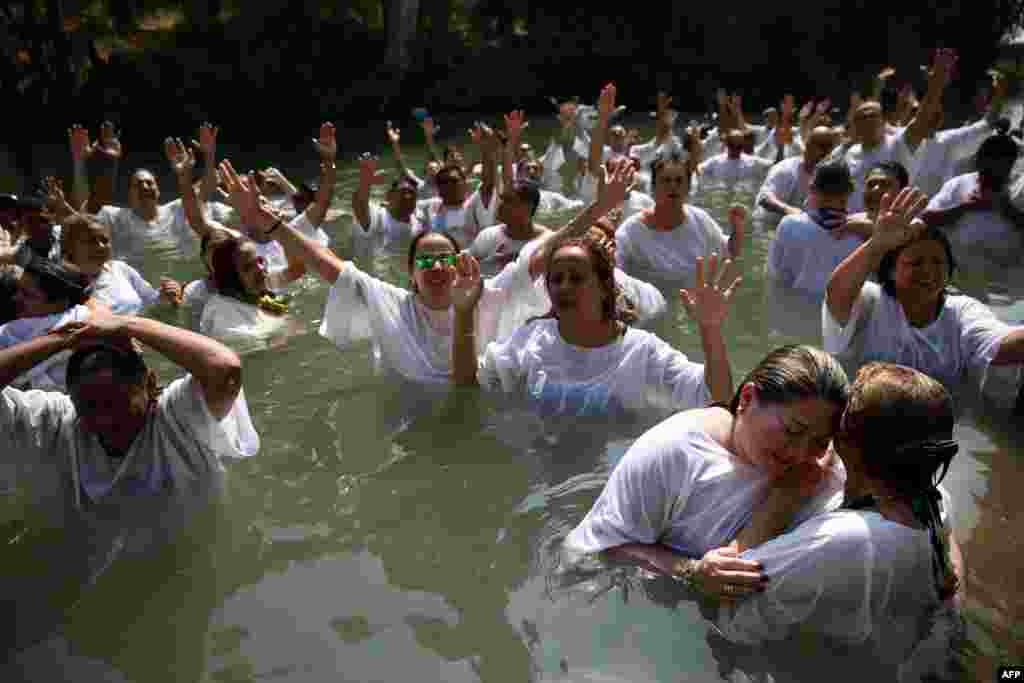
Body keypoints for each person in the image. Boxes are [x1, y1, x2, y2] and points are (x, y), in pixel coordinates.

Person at [218, 159, 594, 383]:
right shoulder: (392, 303)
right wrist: (268, 222)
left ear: (459, 265)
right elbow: (325, 263)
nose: (435, 267)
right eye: (425, 261)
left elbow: (544, 251)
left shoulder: (488, 294)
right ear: (410, 274)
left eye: (443, 259)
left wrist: (600, 206)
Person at [711, 363, 964, 681]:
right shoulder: (935, 502)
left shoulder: (845, 540)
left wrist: (783, 499)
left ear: (846, 440)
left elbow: (726, 593)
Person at [562, 345, 849, 591]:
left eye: (819, 441)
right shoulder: (675, 453)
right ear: (747, 399)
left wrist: (788, 498)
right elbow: (594, 553)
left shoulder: (818, 470)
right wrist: (691, 571)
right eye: (792, 431)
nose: (801, 453)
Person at [450, 223, 739, 419]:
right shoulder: (533, 339)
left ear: (604, 287)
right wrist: (463, 312)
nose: (563, 286)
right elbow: (468, 381)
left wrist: (710, 329)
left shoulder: (641, 352)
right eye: (556, 279)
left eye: (576, 278)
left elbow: (716, 399)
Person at [824, 187, 1024, 396]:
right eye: (916, 262)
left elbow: (1000, 345)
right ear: (891, 270)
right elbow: (836, 293)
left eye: (938, 262)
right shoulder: (871, 300)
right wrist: (877, 245)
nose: (928, 271)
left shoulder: (962, 310)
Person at [826, 49, 956, 212]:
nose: (868, 120)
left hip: (891, 225)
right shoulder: (849, 153)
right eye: (863, 118)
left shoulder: (899, 143)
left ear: (883, 122)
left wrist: (937, 82)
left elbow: (922, 119)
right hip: (852, 230)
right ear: (856, 126)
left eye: (873, 116)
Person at [72, 123, 220, 265]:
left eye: (150, 182)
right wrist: (80, 161)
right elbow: (84, 212)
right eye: (138, 184)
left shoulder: (179, 209)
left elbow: (207, 188)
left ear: (158, 190)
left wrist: (209, 155)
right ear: (129, 194)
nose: (144, 186)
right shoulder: (114, 217)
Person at [615, 146, 745, 284]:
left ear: (688, 187)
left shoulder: (700, 220)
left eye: (679, 180)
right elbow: (615, 274)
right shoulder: (631, 232)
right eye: (666, 180)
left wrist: (738, 228)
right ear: (653, 187)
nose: (673, 186)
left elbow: (730, 251)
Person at [919, 131, 1024, 267]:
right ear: (979, 161)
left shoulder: (1019, 189)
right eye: (988, 166)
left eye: (1002, 166)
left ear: (1010, 165)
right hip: (955, 275)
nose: (994, 172)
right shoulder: (958, 183)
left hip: (1002, 280)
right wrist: (965, 207)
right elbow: (927, 217)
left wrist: (1005, 208)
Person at [0, 252, 96, 391]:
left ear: (60, 303)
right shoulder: (9, 330)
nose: (16, 298)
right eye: (19, 290)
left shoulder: (85, 324)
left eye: (28, 295)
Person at [767, 162, 864, 296]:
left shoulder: (789, 224)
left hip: (792, 306)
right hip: (832, 313)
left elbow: (774, 275)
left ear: (812, 189)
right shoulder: (859, 235)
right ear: (849, 192)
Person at [59, 213, 181, 314]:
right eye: (91, 241)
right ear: (70, 247)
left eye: (104, 240)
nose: (101, 246)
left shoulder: (120, 269)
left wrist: (165, 294)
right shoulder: (61, 282)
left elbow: (151, 300)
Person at [753, 125, 839, 229]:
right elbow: (764, 198)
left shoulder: (828, 175)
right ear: (808, 144)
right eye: (822, 146)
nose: (825, 152)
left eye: (829, 147)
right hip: (770, 227)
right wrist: (788, 210)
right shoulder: (785, 169)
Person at [351, 154, 424, 259]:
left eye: (412, 193)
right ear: (389, 196)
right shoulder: (377, 215)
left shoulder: (417, 224)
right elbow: (359, 203)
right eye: (403, 192)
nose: (408, 196)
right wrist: (366, 180)